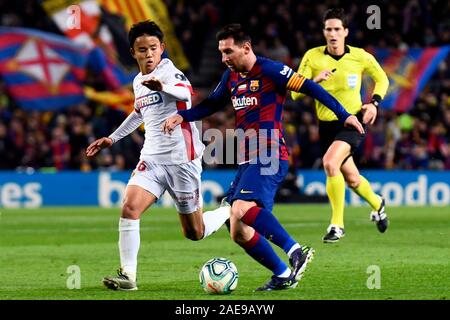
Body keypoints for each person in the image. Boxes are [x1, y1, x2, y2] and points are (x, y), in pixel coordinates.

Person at [163, 23, 365, 291]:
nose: (224, 58)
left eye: (228, 52)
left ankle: (295, 251)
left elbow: (312, 89)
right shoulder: (230, 77)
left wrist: (345, 115)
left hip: (270, 152)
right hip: (248, 158)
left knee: (240, 208)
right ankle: (282, 274)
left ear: (246, 48)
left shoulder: (272, 70)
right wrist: (182, 116)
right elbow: (212, 105)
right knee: (238, 230)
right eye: (221, 53)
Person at [86, 21, 230, 291]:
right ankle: (128, 275)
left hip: (182, 161)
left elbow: (186, 94)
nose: (149, 54)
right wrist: (112, 138)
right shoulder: (138, 81)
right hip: (152, 159)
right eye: (143, 50)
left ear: (162, 48)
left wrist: (162, 86)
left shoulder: (170, 73)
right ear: (134, 52)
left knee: (194, 233)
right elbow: (139, 112)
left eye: (153, 48)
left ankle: (227, 210)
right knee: (129, 208)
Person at [291, 8, 390, 243]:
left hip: (353, 121)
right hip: (326, 126)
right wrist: (313, 82)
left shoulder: (360, 56)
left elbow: (382, 79)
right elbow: (294, 94)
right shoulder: (312, 57)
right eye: (328, 29)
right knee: (353, 179)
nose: (333, 34)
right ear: (324, 32)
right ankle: (378, 203)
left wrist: (374, 103)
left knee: (329, 163)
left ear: (345, 31)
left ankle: (337, 225)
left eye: (337, 29)